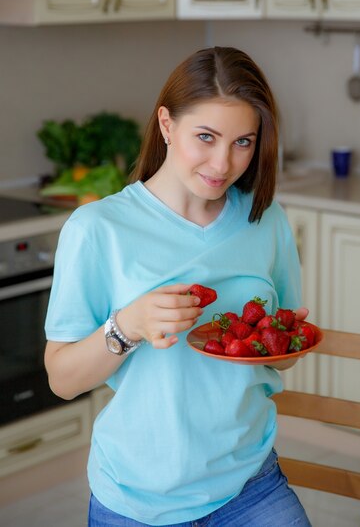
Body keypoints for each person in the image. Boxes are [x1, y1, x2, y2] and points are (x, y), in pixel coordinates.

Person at [44, 46, 312, 527]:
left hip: (250, 481)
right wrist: (129, 325)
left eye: (243, 142)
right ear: (167, 125)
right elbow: (62, 380)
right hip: (137, 498)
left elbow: (285, 350)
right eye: (205, 137)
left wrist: (275, 339)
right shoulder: (97, 229)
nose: (223, 163)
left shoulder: (265, 219)